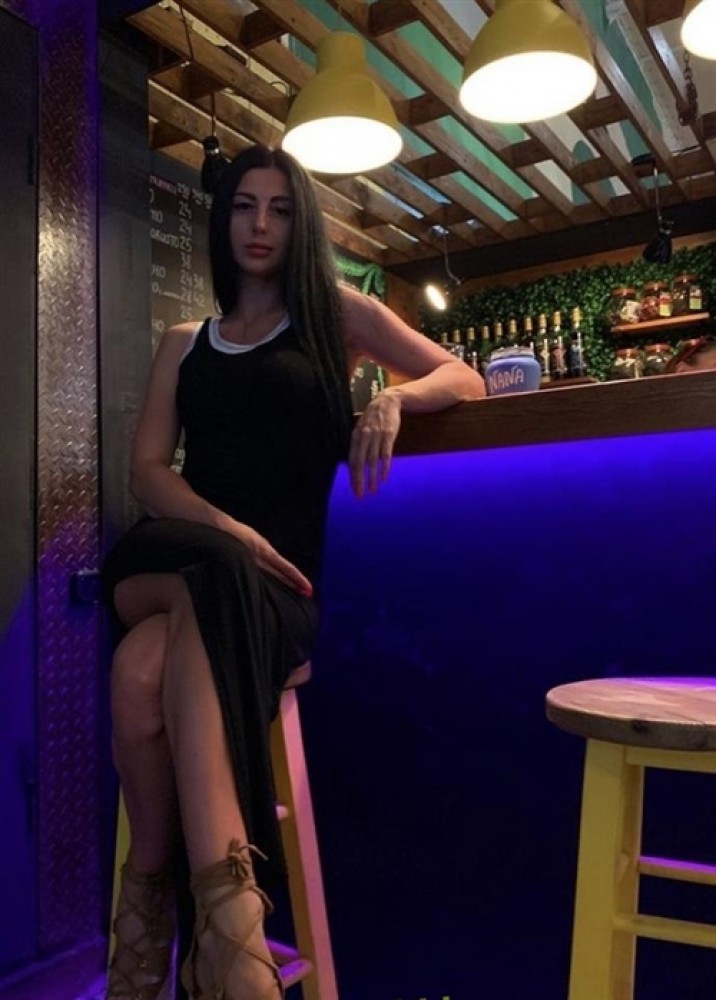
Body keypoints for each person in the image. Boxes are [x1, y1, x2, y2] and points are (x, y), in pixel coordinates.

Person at [102, 143, 485, 1000]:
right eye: (244, 205)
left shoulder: (334, 317)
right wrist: (230, 530)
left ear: (299, 224)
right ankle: (232, 933)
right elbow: (149, 473)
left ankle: (145, 915)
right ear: (223, 219)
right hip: (178, 552)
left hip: (280, 590)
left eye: (279, 209)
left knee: (137, 671)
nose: (261, 225)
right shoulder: (183, 342)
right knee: (212, 568)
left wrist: (392, 397)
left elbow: (464, 377)